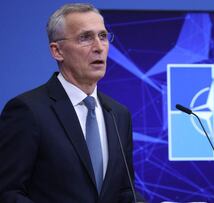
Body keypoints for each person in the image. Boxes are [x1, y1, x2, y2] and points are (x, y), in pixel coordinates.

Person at [0, 3, 144, 203]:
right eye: (85, 38)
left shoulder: (118, 114)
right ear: (57, 51)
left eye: (103, 36)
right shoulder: (28, 111)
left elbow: (124, 192)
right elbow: (8, 192)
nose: (98, 47)